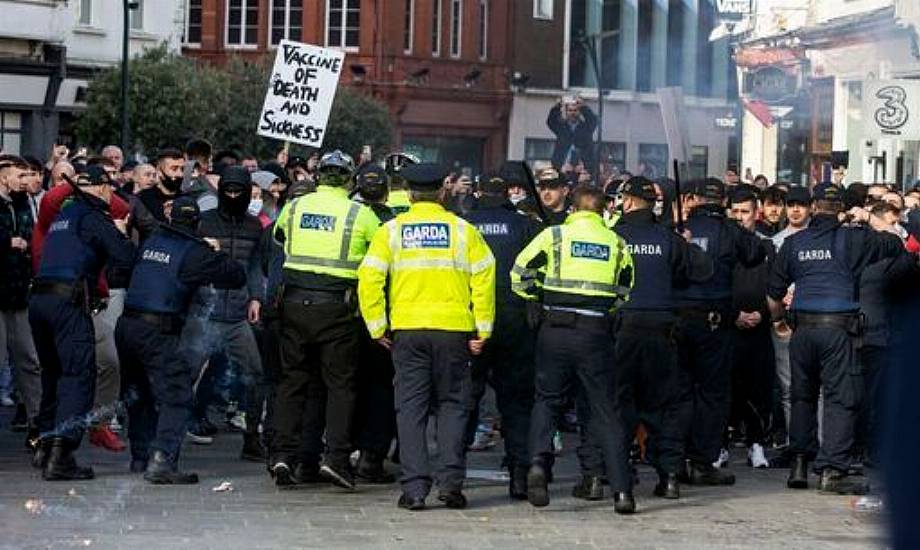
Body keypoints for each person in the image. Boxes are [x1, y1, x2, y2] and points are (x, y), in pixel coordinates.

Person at [358, 162, 495, 511]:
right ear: (443, 190)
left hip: (407, 331)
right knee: (453, 406)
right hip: (454, 332)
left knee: (410, 409)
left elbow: (370, 278)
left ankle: (415, 489)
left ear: (409, 191)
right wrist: (483, 329)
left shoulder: (391, 230)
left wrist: (377, 327)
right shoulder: (464, 231)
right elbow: (484, 278)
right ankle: (450, 484)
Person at [768, 183, 908, 495]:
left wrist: (778, 321)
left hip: (802, 330)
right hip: (838, 331)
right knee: (839, 399)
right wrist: (870, 218)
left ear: (813, 207)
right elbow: (898, 244)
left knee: (802, 396)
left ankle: (800, 464)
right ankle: (832, 469)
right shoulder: (856, 239)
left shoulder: (794, 242)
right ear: (841, 208)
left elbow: (773, 293)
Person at [511, 184, 636, 514]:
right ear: (602, 211)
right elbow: (625, 289)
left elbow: (519, 273)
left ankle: (538, 462)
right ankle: (623, 492)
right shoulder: (616, 242)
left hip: (555, 328)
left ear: (572, 208)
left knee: (547, 400)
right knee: (605, 410)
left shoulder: (554, 236)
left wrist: (537, 295)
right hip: (595, 332)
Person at [269, 150, 379, 489]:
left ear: (319, 177)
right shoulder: (361, 214)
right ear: (349, 180)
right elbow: (377, 251)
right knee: (340, 385)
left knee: (293, 381)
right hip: (337, 308)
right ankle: (336, 459)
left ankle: (283, 455)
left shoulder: (296, 206)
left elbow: (278, 238)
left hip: (293, 304)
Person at [116, 196, 246, 483]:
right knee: (177, 394)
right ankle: (162, 460)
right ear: (196, 223)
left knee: (139, 393)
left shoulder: (151, 242)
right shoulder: (194, 251)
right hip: (156, 330)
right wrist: (216, 251)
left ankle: (141, 456)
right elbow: (235, 276)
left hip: (127, 326)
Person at [29, 165, 135, 481]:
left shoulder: (64, 216)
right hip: (67, 303)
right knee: (78, 375)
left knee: (53, 374)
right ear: (102, 188)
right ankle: (61, 456)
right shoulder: (93, 218)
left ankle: (45, 445)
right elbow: (125, 256)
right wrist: (119, 231)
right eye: (110, 189)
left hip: (40, 301)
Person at [612, 176, 713, 501]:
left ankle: (618, 479)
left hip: (622, 330)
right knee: (664, 407)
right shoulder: (667, 238)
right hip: (662, 330)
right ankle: (669, 476)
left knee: (619, 403)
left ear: (626, 202)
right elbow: (702, 270)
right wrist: (686, 243)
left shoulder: (613, 237)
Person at [673, 178, 767, 485]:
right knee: (712, 393)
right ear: (723, 201)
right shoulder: (730, 230)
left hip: (677, 318)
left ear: (695, 198)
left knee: (680, 391)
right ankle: (701, 460)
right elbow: (755, 254)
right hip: (714, 321)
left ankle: (674, 459)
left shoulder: (678, 228)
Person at [463, 170, 542, 500]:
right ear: (509, 195)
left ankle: (451, 473)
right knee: (516, 401)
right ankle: (519, 475)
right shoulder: (525, 225)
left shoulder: (464, 224)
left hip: (471, 317)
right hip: (514, 318)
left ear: (479, 193)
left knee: (464, 397)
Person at [182, 166, 267, 461]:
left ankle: (252, 436)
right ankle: (167, 435)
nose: (232, 196)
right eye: (227, 191)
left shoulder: (255, 227)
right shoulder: (203, 223)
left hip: (236, 316)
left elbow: (255, 266)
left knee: (255, 376)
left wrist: (256, 297)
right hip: (205, 312)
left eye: (237, 192)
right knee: (185, 374)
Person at [348, 164, 398, 483]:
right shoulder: (394, 224)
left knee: (346, 385)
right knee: (382, 389)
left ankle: (340, 451)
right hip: (385, 315)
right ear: (387, 189)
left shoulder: (347, 216)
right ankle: (371, 456)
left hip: (346, 312)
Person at [727, 187, 775, 469]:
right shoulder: (724, 245)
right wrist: (734, 315)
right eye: (735, 211)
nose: (740, 217)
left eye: (745, 212)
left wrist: (762, 313)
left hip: (759, 327)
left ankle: (757, 445)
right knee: (726, 390)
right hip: (729, 327)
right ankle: (720, 445)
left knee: (759, 390)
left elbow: (777, 286)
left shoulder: (767, 246)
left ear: (756, 214)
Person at [0, 155, 42, 444]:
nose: (26, 182)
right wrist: (6, 242)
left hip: (20, 294)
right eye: (20, 176)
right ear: (4, 177)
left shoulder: (23, 203)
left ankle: (37, 423)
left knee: (30, 359)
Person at [131, 148, 185, 244]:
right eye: (174, 169)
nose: (180, 174)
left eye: (182, 169)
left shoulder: (187, 199)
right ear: (159, 171)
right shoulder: (142, 199)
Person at [547, 96, 597, 172]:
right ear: (566, 112)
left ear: (579, 112)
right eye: (570, 110)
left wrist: (583, 106)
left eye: (575, 110)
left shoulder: (586, 127)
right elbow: (551, 122)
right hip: (562, 168)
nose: (572, 113)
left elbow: (593, 120)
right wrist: (557, 107)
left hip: (583, 170)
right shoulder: (561, 127)